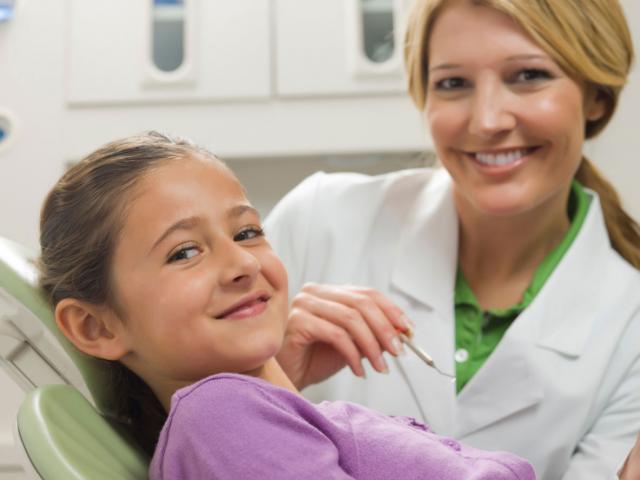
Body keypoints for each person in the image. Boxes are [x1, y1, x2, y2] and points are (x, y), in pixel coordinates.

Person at [265, 0, 640, 479]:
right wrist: (268, 380)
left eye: (527, 76)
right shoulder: (318, 220)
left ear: (597, 95)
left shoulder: (630, 331)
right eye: (453, 83)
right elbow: (179, 436)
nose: (487, 121)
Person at [37, 132, 536, 479]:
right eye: (184, 252)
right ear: (95, 327)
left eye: (247, 231)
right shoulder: (217, 417)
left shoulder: (250, 423)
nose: (242, 264)